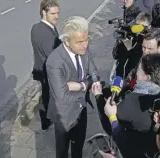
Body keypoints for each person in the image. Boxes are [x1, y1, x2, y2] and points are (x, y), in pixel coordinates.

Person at [46, 16, 98, 158]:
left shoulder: (84, 49)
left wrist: (84, 84)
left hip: (82, 111)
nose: (85, 45)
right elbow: (62, 96)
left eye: (86, 40)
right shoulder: (54, 61)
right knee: (62, 151)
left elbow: (93, 71)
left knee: (78, 148)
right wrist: (86, 87)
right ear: (67, 41)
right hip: (64, 115)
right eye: (80, 42)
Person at [31, 0, 61, 130]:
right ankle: (46, 120)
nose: (57, 16)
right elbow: (53, 55)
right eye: (53, 13)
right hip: (47, 71)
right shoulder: (46, 33)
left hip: (41, 68)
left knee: (45, 94)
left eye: (58, 13)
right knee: (48, 96)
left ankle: (45, 120)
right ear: (44, 12)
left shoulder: (37, 27)